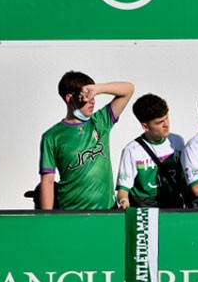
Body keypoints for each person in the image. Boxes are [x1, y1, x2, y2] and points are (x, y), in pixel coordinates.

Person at [38, 71, 134, 210]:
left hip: (106, 211)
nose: (92, 101)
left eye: (93, 96)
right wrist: (47, 219)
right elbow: (48, 182)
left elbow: (128, 89)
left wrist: (98, 89)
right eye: (86, 96)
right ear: (69, 98)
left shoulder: (100, 121)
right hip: (71, 214)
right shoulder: (51, 136)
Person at [115, 94, 185, 208]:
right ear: (145, 126)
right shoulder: (131, 150)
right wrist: (124, 201)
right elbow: (123, 188)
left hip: (173, 204)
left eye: (166, 118)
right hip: (144, 206)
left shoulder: (177, 141)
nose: (166, 124)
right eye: (159, 122)